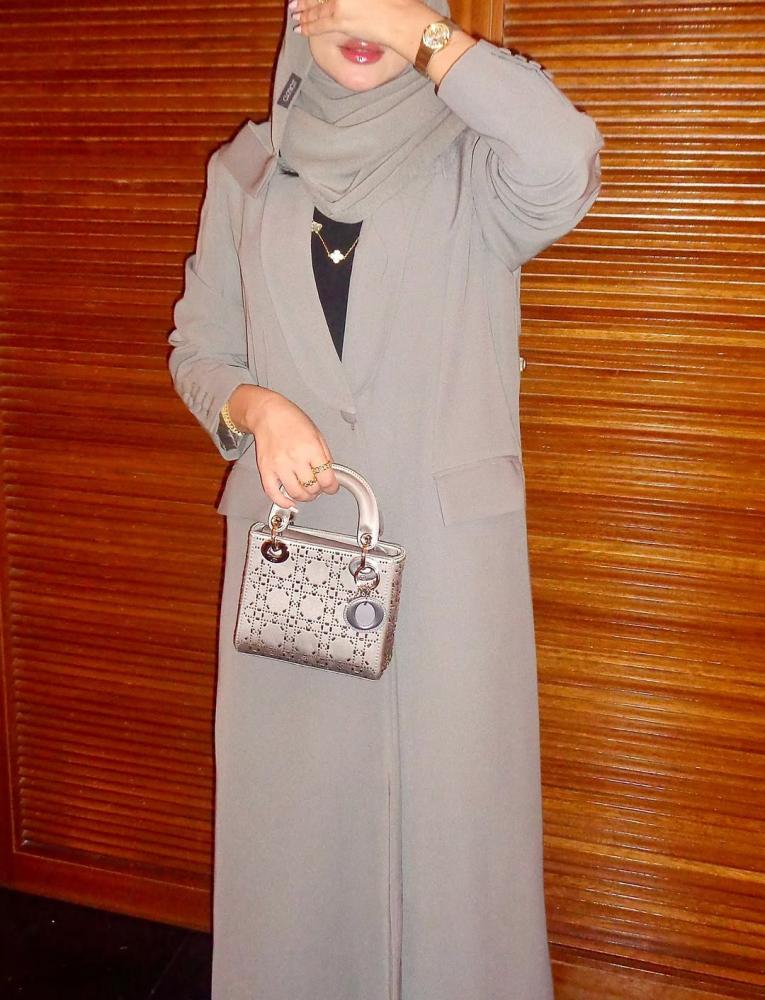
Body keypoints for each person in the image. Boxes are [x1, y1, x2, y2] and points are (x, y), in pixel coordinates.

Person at [167, 0, 602, 997]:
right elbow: (199, 346)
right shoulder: (249, 170)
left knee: (457, 829)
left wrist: (425, 39)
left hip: (449, 561)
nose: (361, 18)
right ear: (300, 12)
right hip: (297, 547)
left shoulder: (475, 154)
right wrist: (255, 408)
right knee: (297, 829)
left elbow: (565, 156)